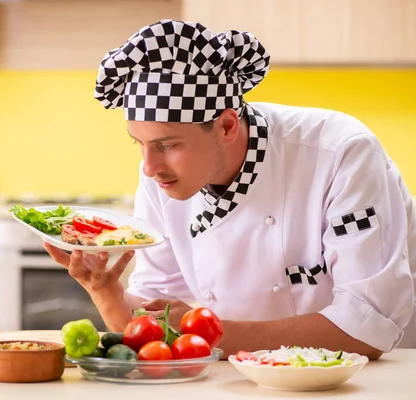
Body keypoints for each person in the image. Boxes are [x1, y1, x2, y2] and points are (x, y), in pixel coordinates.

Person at [43, 19, 416, 360]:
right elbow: (154, 327)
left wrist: (211, 334)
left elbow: (366, 330)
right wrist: (108, 294)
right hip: (240, 375)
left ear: (225, 126)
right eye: (139, 144)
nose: (149, 167)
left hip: (361, 379)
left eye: (168, 145)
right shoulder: (161, 177)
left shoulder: (341, 153)